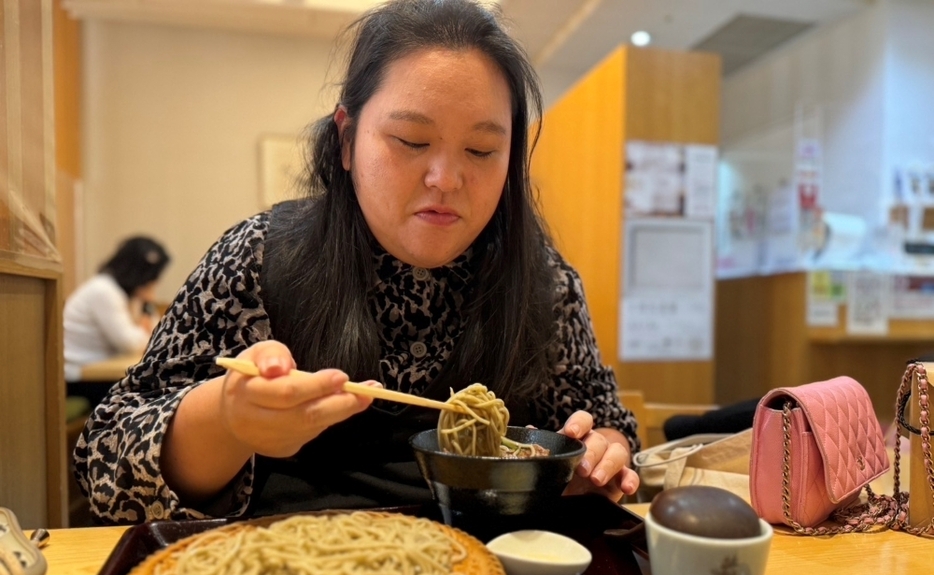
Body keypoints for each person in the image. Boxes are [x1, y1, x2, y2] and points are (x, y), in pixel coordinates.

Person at [75, 0, 641, 525]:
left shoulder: (544, 282)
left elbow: (601, 422)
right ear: (347, 139)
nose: (445, 179)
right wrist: (226, 420)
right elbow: (106, 464)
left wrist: (601, 453)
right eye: (411, 141)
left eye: (481, 151)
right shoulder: (260, 257)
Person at [64, 235, 170, 407]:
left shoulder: (123, 294)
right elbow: (131, 343)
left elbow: (155, 336)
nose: (153, 281)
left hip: (99, 372)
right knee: (153, 394)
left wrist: (146, 303)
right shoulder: (104, 291)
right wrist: (145, 329)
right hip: (78, 377)